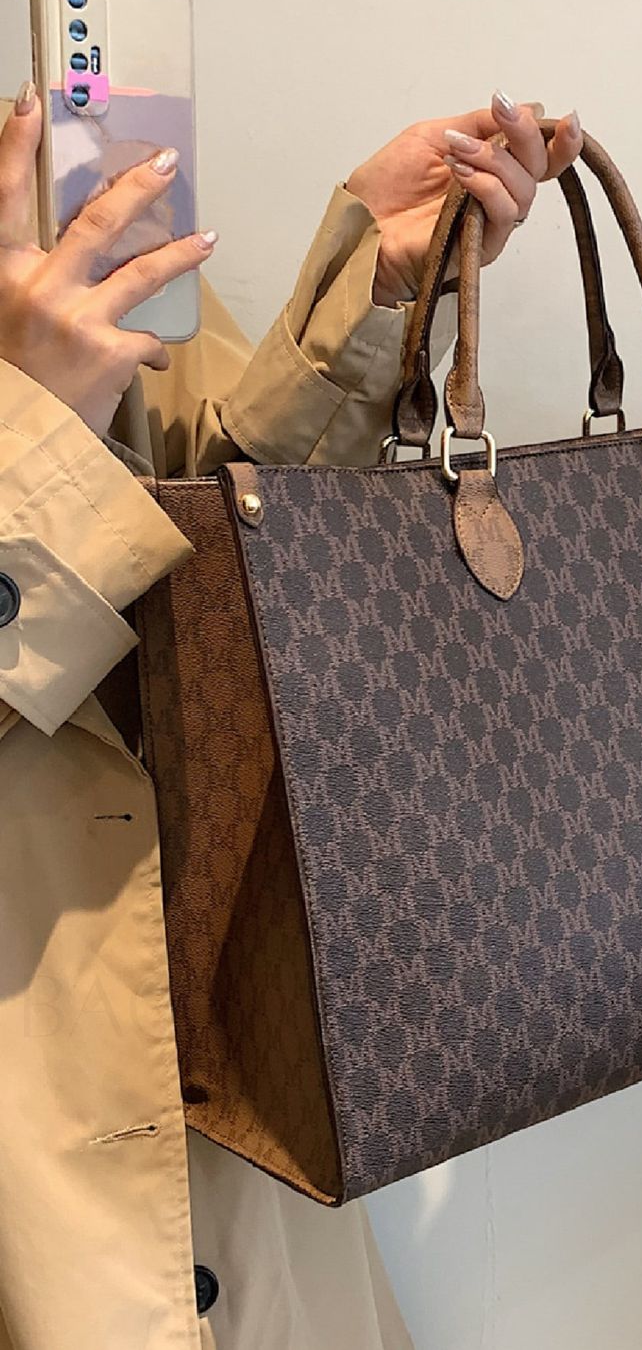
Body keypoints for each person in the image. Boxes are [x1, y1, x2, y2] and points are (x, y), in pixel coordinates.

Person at [0, 80, 583, 1350]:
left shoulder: (52, 164)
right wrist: (28, 438)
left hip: (233, 1119)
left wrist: (369, 299)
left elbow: (208, 587)